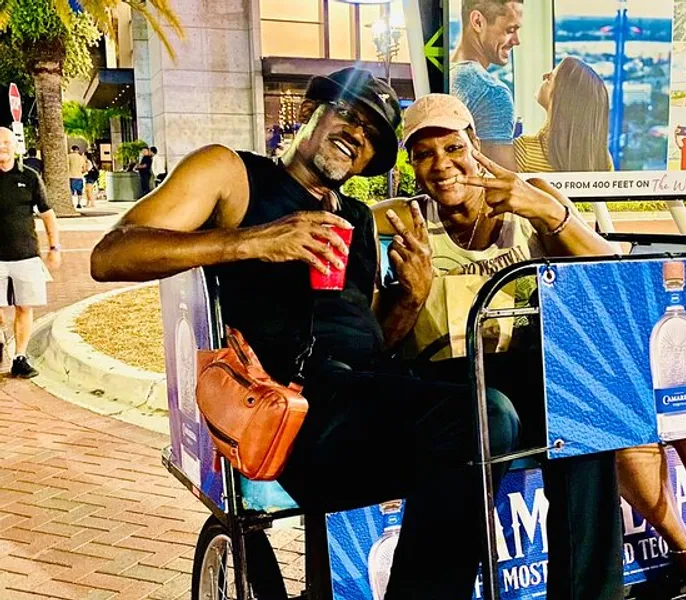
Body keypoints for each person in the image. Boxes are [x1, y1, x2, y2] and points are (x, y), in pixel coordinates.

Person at [90, 67, 521, 600]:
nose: (356, 134)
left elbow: (368, 341)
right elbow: (111, 254)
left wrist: (410, 295)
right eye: (347, 113)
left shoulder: (357, 221)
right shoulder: (233, 175)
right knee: (483, 415)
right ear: (310, 110)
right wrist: (249, 242)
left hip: (364, 398)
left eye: (372, 135)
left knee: (543, 379)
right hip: (295, 414)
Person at [376, 93, 623, 600]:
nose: (441, 164)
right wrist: (410, 293)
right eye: (424, 154)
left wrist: (547, 213)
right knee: (489, 418)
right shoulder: (399, 221)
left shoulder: (528, 199)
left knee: (581, 413)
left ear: (475, 145)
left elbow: (611, 272)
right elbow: (377, 343)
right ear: (411, 164)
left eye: (452, 147)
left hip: (525, 376)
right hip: (443, 387)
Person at [512, 56, 617, 235]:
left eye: (552, 76)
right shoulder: (600, 156)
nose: (545, 76)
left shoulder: (524, 150)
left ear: (562, 94)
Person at [0, 127, 61, 378]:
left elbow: (48, 214)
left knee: (24, 307)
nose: (1, 147)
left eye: (5, 142)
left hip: (26, 256)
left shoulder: (30, 176)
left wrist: (54, 247)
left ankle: (20, 358)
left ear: (14, 145)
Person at [450, 0, 522, 170]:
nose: (517, 41)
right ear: (477, 22)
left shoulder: (450, 75)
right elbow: (502, 186)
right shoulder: (491, 92)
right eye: (510, 30)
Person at [67, 145, 87, 209]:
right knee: (79, 191)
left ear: (72, 149)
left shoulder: (69, 156)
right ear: (78, 150)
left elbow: (66, 166)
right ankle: (79, 203)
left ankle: (72, 204)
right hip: (79, 176)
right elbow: (84, 168)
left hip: (71, 176)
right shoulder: (81, 158)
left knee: (71, 192)